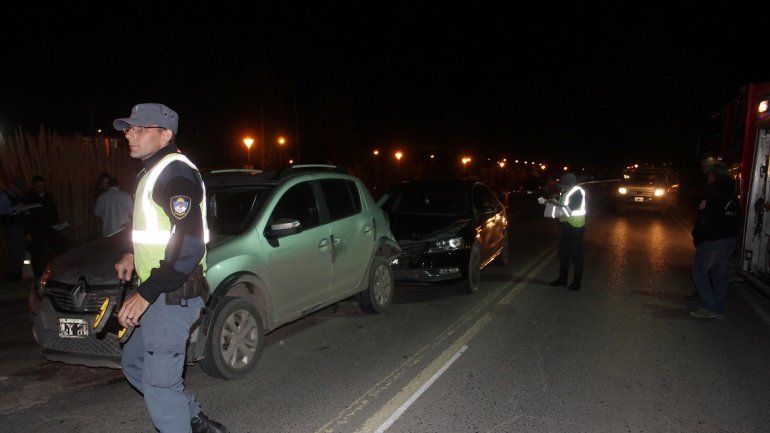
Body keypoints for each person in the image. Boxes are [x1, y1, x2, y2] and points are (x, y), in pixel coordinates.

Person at [112, 103, 226, 433]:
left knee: (161, 386)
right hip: (160, 293)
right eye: (128, 129)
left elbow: (189, 244)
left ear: (165, 135)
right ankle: (191, 418)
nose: (129, 135)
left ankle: (181, 421)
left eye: (139, 128)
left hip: (172, 295)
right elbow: (162, 230)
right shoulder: (153, 171)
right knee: (135, 362)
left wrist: (145, 293)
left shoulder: (174, 172)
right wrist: (132, 256)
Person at [689, 162, 741, 320]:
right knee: (719, 276)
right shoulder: (733, 193)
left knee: (699, 272)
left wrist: (698, 236)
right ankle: (718, 309)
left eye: (709, 174)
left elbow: (704, 217)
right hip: (729, 240)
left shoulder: (712, 192)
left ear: (713, 175)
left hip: (712, 240)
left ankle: (709, 307)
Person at [538, 172, 587, 291]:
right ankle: (562, 280)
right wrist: (553, 200)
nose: (562, 187)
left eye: (564, 185)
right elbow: (562, 205)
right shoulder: (566, 191)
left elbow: (567, 211)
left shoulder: (578, 192)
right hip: (566, 227)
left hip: (576, 228)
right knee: (563, 254)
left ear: (570, 184)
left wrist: (549, 204)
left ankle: (576, 283)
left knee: (576, 256)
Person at [21, 175, 68, 278]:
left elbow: (53, 210)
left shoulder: (48, 196)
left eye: (42, 185)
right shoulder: (28, 197)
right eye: (38, 186)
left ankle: (63, 270)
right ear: (34, 186)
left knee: (61, 245)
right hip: (35, 229)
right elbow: (25, 217)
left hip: (48, 227)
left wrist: (57, 222)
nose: (40, 188)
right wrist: (27, 232)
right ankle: (39, 276)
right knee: (36, 253)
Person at [0, 178, 27, 281]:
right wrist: (15, 208)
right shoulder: (4, 196)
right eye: (19, 189)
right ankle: (14, 273)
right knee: (15, 249)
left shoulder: (12, 196)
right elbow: (1, 210)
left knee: (17, 249)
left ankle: (16, 272)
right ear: (14, 187)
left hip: (15, 226)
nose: (19, 192)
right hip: (11, 227)